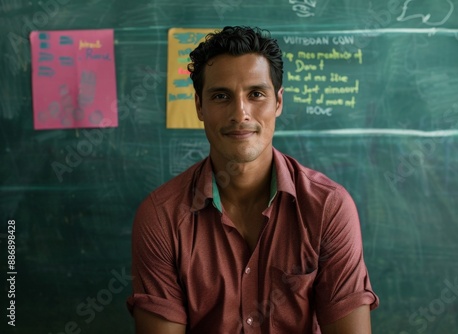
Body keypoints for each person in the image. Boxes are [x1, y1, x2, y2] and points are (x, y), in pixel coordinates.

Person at [127, 26, 379, 333]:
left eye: (256, 94)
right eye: (221, 96)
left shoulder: (328, 208)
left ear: (278, 102)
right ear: (199, 107)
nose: (240, 113)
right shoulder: (162, 217)